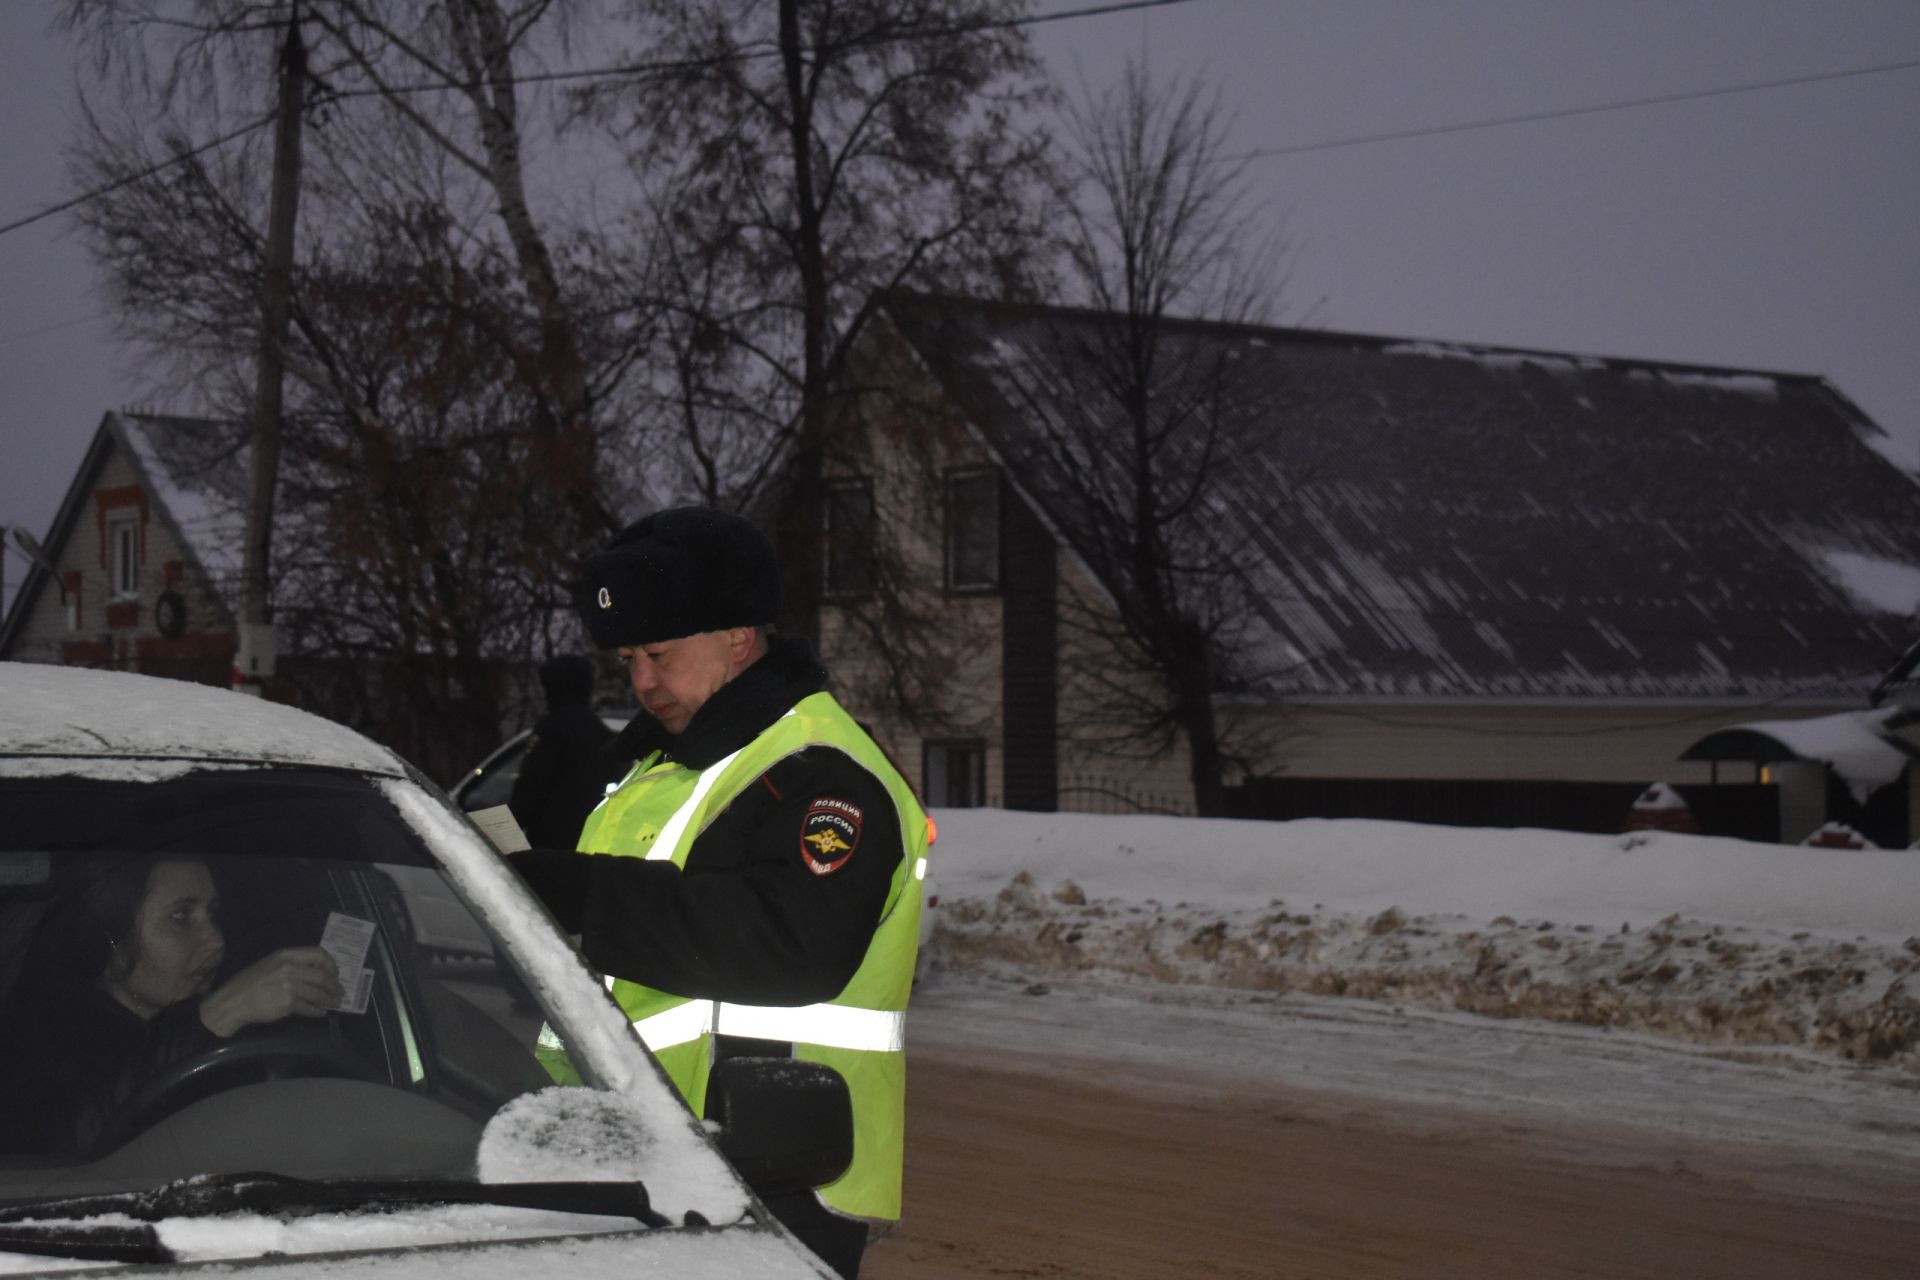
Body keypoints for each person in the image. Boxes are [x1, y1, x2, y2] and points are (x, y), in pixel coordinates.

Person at [509, 506, 930, 1279]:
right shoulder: (670, 765)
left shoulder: (822, 771)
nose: (640, 681)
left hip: (776, 1177)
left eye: (659, 654)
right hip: (659, 1159)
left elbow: (787, 945)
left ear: (737, 639)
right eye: (627, 657)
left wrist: (574, 893)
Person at [9, 855, 343, 1154]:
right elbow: (76, 1148)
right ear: (113, 936)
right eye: (181, 916)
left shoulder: (248, 1040)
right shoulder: (37, 1041)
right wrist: (226, 1009)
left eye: (212, 913)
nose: (216, 939)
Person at [508, 653, 624, 849]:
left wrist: (503, 835)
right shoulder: (603, 733)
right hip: (593, 845)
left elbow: (529, 790)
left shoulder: (551, 730)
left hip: (552, 847)